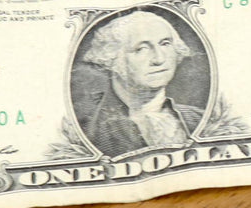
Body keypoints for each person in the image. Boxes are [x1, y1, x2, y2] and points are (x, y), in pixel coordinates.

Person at [77, 11, 203, 157]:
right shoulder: (88, 131)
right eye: (142, 49)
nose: (159, 59)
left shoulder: (200, 119)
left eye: (165, 44)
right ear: (111, 59)